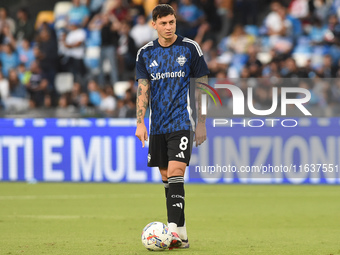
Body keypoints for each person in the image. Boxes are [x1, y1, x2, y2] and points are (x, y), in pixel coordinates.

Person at [135, 4, 209, 250]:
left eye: (172, 22)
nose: (168, 27)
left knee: (177, 172)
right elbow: (143, 89)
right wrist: (140, 122)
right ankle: (183, 235)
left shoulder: (189, 48)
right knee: (167, 178)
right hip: (157, 127)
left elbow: (201, 86)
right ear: (153, 24)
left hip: (181, 122)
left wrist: (201, 122)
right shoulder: (145, 53)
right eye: (163, 23)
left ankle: (171, 232)